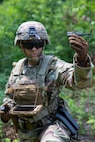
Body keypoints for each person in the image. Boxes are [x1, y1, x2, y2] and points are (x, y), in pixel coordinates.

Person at [0, 21, 93, 142]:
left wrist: (82, 60)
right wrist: (5, 109)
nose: (34, 48)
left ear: (44, 44)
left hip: (52, 126)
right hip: (26, 132)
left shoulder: (53, 66)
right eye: (29, 44)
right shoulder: (18, 68)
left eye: (38, 44)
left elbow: (79, 83)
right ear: (21, 45)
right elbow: (10, 97)